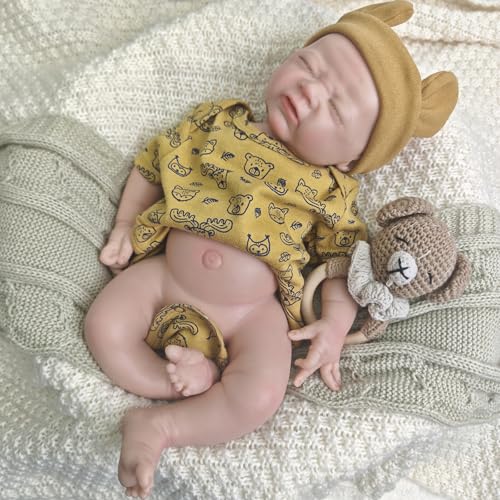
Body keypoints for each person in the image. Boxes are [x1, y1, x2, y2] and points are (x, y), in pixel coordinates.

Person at [83, 1, 458, 497]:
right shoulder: (220, 124)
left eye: (335, 109)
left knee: (260, 395)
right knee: (103, 326)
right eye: (309, 66)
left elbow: (343, 265)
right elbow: (156, 161)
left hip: (251, 315)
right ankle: (174, 381)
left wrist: (334, 325)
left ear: (351, 160)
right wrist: (126, 223)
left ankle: (161, 426)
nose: (309, 91)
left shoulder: (332, 193)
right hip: (164, 275)